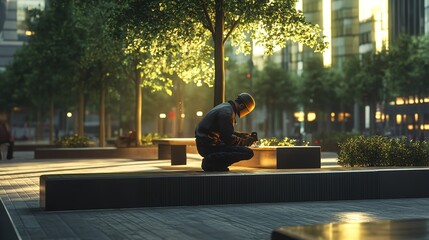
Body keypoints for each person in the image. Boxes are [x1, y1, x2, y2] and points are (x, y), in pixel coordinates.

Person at [195, 93, 258, 171]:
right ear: (242, 106)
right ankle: (210, 162)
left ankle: (216, 163)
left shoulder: (226, 107)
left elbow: (222, 130)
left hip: (205, 143)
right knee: (248, 153)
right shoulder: (227, 113)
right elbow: (228, 138)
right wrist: (245, 142)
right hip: (209, 146)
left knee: (240, 149)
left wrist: (241, 135)